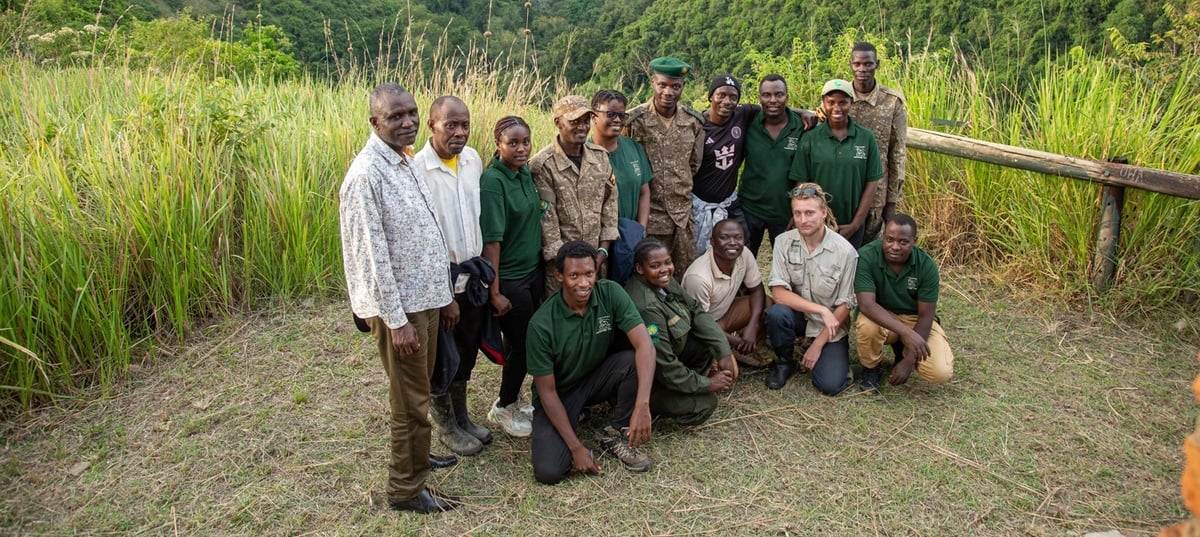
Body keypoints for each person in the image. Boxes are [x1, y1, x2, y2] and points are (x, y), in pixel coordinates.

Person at [339, 83, 459, 513]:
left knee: (419, 390)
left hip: (425, 298)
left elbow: (426, 232)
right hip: (401, 310)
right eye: (395, 117)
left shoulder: (403, 160)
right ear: (375, 122)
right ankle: (406, 490)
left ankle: (419, 456)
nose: (407, 122)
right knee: (410, 403)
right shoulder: (366, 174)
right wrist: (396, 321)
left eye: (411, 113)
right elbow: (370, 258)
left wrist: (445, 295)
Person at [528, 241, 657, 485]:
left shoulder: (610, 292)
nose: (584, 283)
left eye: (589, 274)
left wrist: (642, 404)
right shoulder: (541, 325)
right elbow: (547, 391)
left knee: (633, 360)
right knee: (549, 472)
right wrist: (576, 448)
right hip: (559, 394)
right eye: (574, 276)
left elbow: (645, 346)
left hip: (595, 378)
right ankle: (573, 421)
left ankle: (617, 432)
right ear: (559, 276)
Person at [412, 95, 493, 457]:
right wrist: (443, 296)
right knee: (443, 356)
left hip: (472, 277)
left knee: (468, 349)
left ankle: (461, 415)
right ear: (431, 125)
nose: (459, 132)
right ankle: (445, 425)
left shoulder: (473, 159)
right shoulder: (418, 169)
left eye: (464, 124)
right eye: (450, 125)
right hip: (440, 281)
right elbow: (420, 238)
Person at [625, 238, 738, 425]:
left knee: (708, 342)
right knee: (705, 404)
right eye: (655, 265)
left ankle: (684, 387)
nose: (664, 269)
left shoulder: (663, 282)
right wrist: (708, 384)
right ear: (639, 269)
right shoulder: (647, 307)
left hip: (670, 360)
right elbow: (664, 365)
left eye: (667, 262)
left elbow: (695, 309)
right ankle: (653, 408)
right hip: (648, 380)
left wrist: (724, 352)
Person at [479, 116, 542, 437]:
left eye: (525, 142)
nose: (521, 148)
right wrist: (494, 291)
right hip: (511, 279)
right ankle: (503, 406)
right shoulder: (493, 181)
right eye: (513, 143)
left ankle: (512, 398)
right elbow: (492, 241)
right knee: (523, 346)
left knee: (521, 344)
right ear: (498, 145)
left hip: (533, 273)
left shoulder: (524, 173)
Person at [763, 183, 859, 395]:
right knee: (776, 313)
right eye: (797, 213)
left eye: (809, 213)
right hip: (800, 316)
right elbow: (778, 292)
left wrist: (818, 344)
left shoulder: (845, 252)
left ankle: (822, 351)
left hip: (829, 326)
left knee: (829, 385)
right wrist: (820, 309)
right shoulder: (783, 242)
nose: (803, 220)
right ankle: (785, 361)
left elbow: (845, 305)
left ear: (824, 212)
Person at [854, 214, 954, 392]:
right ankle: (870, 369)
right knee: (867, 326)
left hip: (915, 320)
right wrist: (906, 332)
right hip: (882, 316)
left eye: (903, 242)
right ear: (883, 236)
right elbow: (867, 305)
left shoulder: (926, 265)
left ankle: (903, 352)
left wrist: (909, 362)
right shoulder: (867, 256)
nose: (894, 247)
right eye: (889, 239)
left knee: (940, 372)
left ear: (914, 241)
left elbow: (926, 315)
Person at [624, 56, 705, 273]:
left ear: (683, 87)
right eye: (662, 85)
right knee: (646, 275)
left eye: (675, 86)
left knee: (682, 275)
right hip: (648, 216)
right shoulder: (633, 121)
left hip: (681, 216)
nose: (668, 92)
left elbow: (694, 165)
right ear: (653, 83)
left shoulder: (693, 122)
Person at [531, 95, 619, 290]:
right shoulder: (544, 165)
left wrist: (603, 250)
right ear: (558, 123)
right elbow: (547, 221)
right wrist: (568, 264)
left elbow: (610, 204)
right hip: (562, 266)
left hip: (597, 260)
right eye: (574, 121)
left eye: (585, 121)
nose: (582, 127)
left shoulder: (600, 157)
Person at [789, 79, 882, 249]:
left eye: (843, 102)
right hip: (817, 224)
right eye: (831, 102)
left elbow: (871, 184)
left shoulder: (866, 138)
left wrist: (855, 224)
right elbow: (802, 182)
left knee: (848, 271)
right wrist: (807, 218)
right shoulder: (810, 138)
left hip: (851, 225)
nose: (837, 108)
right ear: (823, 103)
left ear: (851, 103)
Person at [681, 219, 770, 367]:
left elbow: (757, 289)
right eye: (724, 237)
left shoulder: (744, 254)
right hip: (701, 330)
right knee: (729, 374)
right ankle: (732, 350)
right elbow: (700, 324)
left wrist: (752, 327)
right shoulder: (698, 277)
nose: (733, 243)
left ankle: (744, 351)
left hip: (723, 316)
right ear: (712, 242)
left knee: (767, 303)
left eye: (738, 237)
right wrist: (737, 341)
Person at [739, 74, 807, 258]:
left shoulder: (802, 126)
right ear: (759, 97)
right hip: (750, 208)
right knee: (744, 262)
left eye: (779, 94)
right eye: (767, 95)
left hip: (785, 211)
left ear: (787, 96)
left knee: (789, 265)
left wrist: (798, 209)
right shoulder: (749, 122)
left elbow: (804, 171)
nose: (773, 100)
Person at [589, 89, 652, 284]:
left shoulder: (633, 148)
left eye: (621, 115)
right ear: (593, 116)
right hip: (598, 240)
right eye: (610, 114)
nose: (617, 120)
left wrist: (640, 230)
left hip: (630, 237)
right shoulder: (584, 152)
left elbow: (644, 191)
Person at [848, 42, 908, 243]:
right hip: (843, 189)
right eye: (857, 64)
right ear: (851, 65)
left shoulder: (892, 102)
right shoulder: (839, 97)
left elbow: (897, 154)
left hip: (876, 194)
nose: (862, 69)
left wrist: (891, 203)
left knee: (869, 251)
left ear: (877, 65)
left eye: (868, 64)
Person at [691, 74, 754, 257]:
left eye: (733, 97)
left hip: (729, 201)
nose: (727, 101)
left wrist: (806, 113)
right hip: (698, 204)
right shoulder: (696, 125)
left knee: (743, 246)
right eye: (721, 95)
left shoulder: (742, 115)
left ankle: (740, 284)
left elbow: (775, 108)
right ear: (710, 97)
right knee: (697, 252)